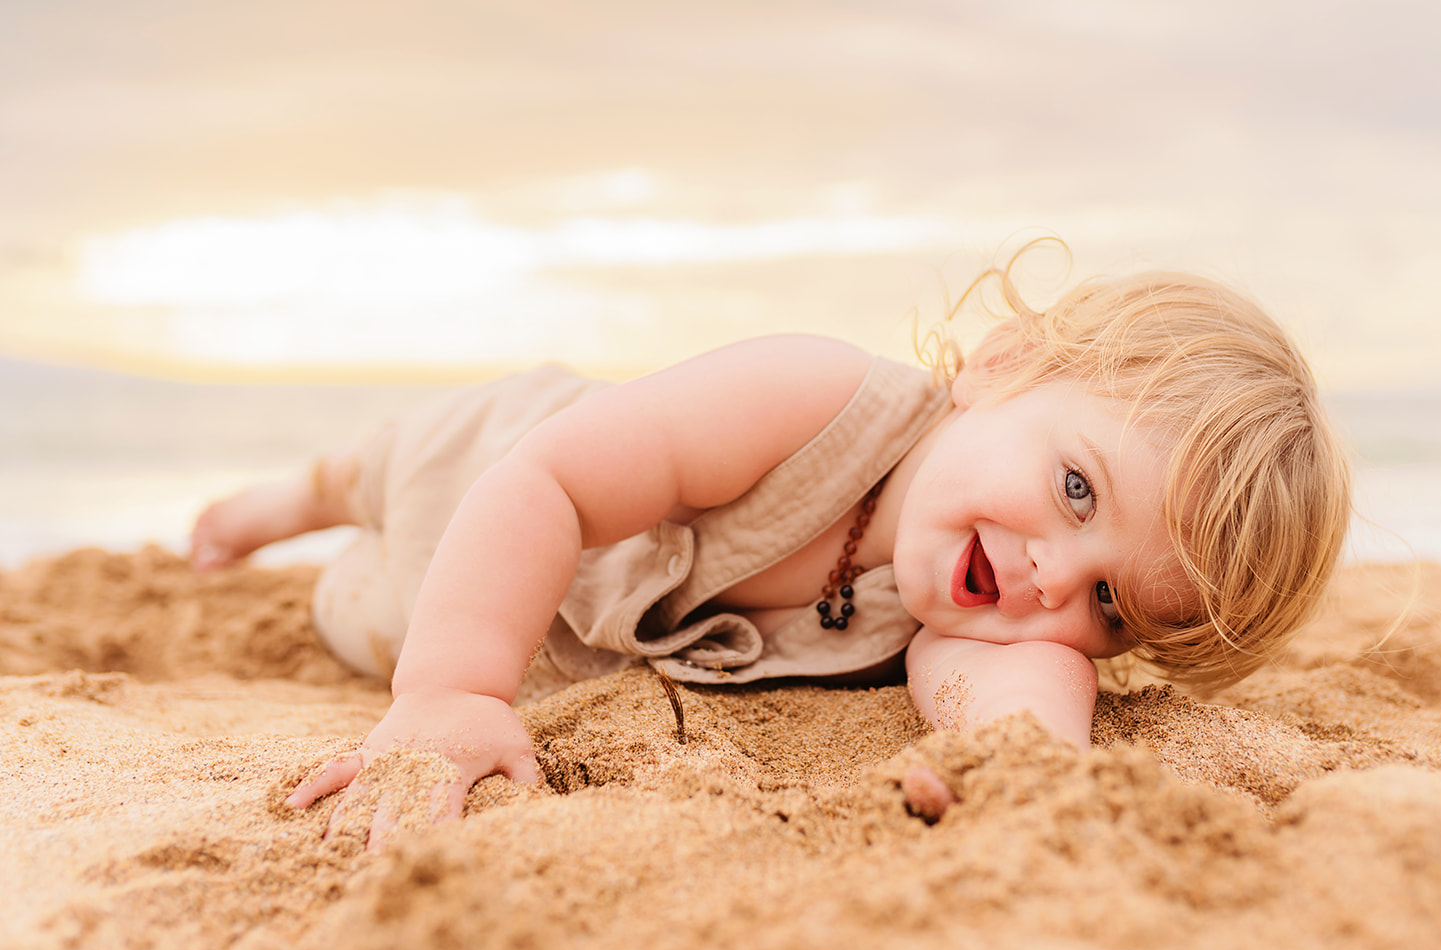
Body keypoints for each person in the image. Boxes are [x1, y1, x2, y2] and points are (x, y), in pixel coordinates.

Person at [191, 251, 1351, 846]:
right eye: (1075, 486)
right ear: (1001, 363)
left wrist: (1029, 768)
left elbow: (1021, 695)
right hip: (496, 483)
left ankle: (354, 568)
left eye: (1109, 601)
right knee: (373, 476)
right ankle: (294, 491)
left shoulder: (975, 614)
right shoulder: (811, 395)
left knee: (347, 614)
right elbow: (548, 480)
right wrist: (450, 687)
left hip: (490, 610)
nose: (1052, 573)